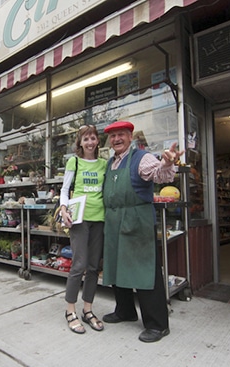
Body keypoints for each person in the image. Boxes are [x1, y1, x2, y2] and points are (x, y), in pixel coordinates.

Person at [101, 120, 184, 343]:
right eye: (113, 136)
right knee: (118, 267)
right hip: (114, 220)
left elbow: (160, 175)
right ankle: (125, 311)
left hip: (136, 219)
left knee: (145, 270)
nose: (116, 139)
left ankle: (158, 324)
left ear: (130, 137)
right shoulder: (110, 163)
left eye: (121, 135)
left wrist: (167, 162)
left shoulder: (142, 157)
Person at [59, 125, 107, 334]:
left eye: (93, 138)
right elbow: (64, 189)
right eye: (85, 139)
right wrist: (63, 208)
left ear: (98, 141)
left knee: (94, 267)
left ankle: (88, 309)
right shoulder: (74, 161)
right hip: (79, 219)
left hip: (100, 219)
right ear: (80, 142)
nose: (89, 142)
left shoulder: (105, 164)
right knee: (78, 265)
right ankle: (70, 310)